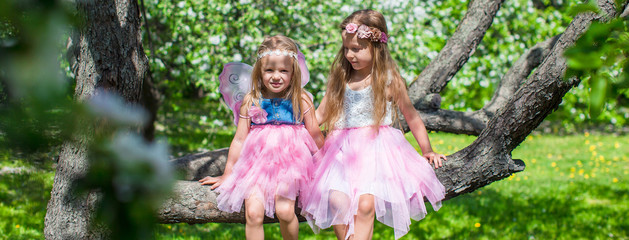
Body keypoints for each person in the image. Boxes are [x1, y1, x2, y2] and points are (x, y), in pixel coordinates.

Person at [303, 9, 447, 240]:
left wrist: (427, 150)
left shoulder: (389, 80)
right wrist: (295, 120)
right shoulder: (340, 77)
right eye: (346, 48)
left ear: (376, 47)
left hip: (376, 151)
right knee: (336, 200)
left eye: (357, 49)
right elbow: (320, 115)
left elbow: (412, 117)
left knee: (365, 204)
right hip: (339, 152)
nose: (350, 55)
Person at [200, 35, 324, 240]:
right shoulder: (252, 99)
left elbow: (315, 134)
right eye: (269, 70)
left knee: (285, 211)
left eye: (284, 70)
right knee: (253, 214)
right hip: (256, 166)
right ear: (259, 71)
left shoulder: (300, 98)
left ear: (293, 72)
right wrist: (227, 173)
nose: (277, 76)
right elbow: (240, 139)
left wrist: (327, 165)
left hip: (291, 165)